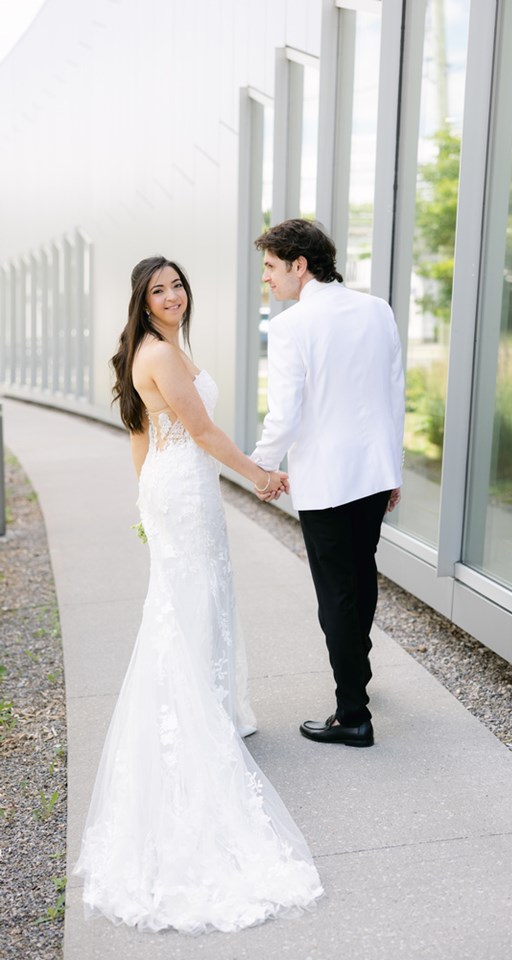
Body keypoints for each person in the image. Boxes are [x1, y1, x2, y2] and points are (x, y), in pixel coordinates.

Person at [73, 256, 323, 934]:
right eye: (159, 289)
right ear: (142, 300)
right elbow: (204, 432)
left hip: (168, 485)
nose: (173, 295)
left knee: (193, 597)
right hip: (183, 488)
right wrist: (261, 476)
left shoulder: (145, 350)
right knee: (193, 599)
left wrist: (142, 500)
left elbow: (139, 434)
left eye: (178, 284)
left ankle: (210, 705)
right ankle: (195, 716)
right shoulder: (162, 354)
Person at [251, 219, 405, 749]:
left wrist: (259, 466)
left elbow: (286, 413)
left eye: (271, 266)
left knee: (337, 594)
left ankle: (352, 714)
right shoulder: (376, 309)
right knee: (361, 579)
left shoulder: (293, 326)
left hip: (328, 480)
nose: (267, 279)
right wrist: (394, 468)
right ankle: (356, 683)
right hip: (372, 475)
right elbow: (393, 394)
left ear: (299, 264)